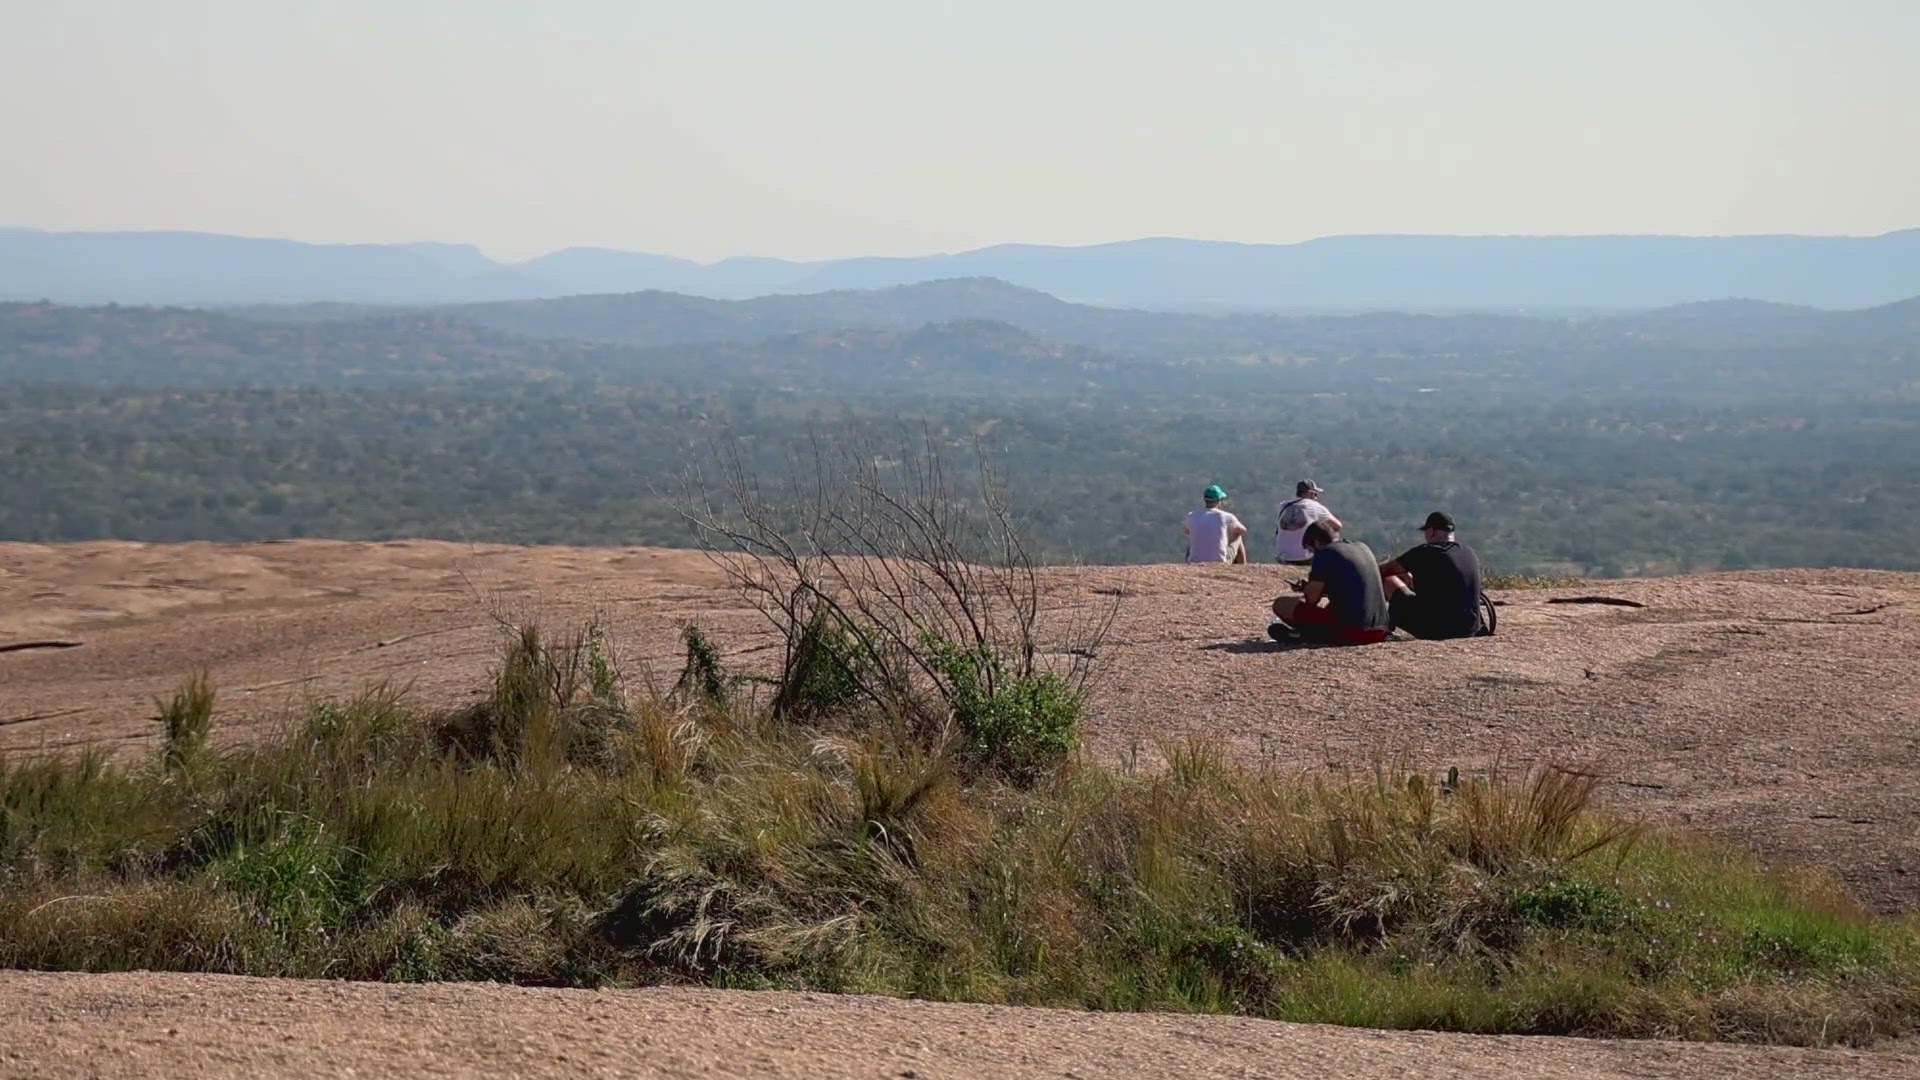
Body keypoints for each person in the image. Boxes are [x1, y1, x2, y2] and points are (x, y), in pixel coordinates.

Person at [1269, 520, 1390, 645]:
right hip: (1381, 629)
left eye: (1311, 550)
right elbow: (1349, 588)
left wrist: (1307, 589)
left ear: (1316, 543)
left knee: (1281, 604)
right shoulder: (1362, 547)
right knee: (1336, 606)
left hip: (1353, 632)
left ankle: (1308, 635)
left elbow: (1312, 600)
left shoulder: (1324, 553)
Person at [1379, 512, 1485, 639]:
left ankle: (1382, 628)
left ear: (1432, 531)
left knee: (1388, 580)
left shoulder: (1424, 552)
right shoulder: (1468, 552)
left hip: (1437, 630)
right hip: (1470, 628)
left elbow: (1383, 571)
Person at [1273, 479, 1341, 566]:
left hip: (1282, 557)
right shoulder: (1316, 507)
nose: (1316, 497)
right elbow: (1338, 525)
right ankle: (1330, 561)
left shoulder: (1283, 505)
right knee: (1333, 531)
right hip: (1304, 558)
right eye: (1315, 494)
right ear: (1310, 493)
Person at [1184, 485, 1248, 563]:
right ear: (1219, 501)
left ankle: (1188, 563)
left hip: (1195, 562)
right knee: (1238, 536)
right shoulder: (1226, 517)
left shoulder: (1191, 515)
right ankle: (1242, 568)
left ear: (1205, 500)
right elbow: (1243, 530)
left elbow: (1187, 531)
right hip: (1219, 562)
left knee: (1192, 540)